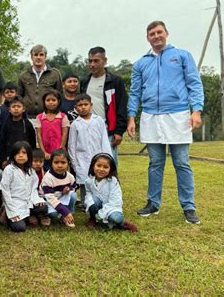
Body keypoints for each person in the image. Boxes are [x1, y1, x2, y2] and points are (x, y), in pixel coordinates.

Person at [127, 21, 204, 224]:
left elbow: (194, 83)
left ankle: (188, 206)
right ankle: (153, 203)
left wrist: (196, 110)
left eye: (159, 32)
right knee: (155, 163)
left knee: (181, 162)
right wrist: (131, 117)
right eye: (152, 33)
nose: (156, 36)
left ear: (166, 33)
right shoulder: (141, 63)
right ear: (148, 38)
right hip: (150, 116)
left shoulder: (182, 56)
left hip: (178, 115)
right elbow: (135, 92)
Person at [80, 47, 128, 165]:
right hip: (88, 128)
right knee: (89, 163)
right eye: (90, 61)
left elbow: (122, 105)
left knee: (109, 163)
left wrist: (119, 131)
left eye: (96, 61)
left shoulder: (115, 81)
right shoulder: (85, 81)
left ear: (105, 61)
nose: (92, 64)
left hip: (108, 129)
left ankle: (113, 184)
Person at [68, 94, 112, 209]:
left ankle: (101, 202)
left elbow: (104, 140)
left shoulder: (99, 121)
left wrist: (107, 157)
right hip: (81, 159)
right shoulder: (75, 124)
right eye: (80, 105)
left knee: (99, 179)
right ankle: (85, 204)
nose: (83, 107)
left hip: (98, 156)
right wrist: (74, 162)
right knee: (84, 181)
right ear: (75, 108)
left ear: (91, 105)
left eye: (85, 104)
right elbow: (71, 145)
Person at [1, 141, 48, 232]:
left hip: (28, 201)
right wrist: (12, 211)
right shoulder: (9, 169)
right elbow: (5, 191)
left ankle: (28, 216)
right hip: (14, 203)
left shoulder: (31, 171)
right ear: (13, 155)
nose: (21, 155)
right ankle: (5, 214)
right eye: (18, 153)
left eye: (24, 153)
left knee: (43, 207)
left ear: (29, 155)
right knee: (20, 228)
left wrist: (37, 200)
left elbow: (33, 189)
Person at [84, 153, 138, 232]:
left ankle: (123, 223)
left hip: (111, 207)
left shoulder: (113, 181)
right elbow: (88, 193)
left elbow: (115, 202)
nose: (101, 169)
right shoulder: (88, 181)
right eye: (98, 166)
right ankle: (93, 218)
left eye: (105, 167)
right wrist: (90, 203)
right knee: (92, 200)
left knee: (116, 218)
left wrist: (101, 214)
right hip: (97, 205)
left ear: (110, 169)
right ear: (93, 166)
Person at [19, 44, 62, 117]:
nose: (38, 57)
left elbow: (60, 95)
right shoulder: (24, 75)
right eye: (35, 55)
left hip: (47, 117)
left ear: (45, 57)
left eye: (41, 55)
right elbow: (19, 96)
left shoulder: (55, 74)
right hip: (27, 116)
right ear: (31, 57)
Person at [40, 149, 77, 227]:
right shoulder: (48, 178)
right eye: (56, 162)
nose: (60, 165)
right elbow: (50, 198)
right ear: (51, 163)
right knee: (53, 214)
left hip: (61, 197)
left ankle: (66, 217)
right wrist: (64, 211)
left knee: (73, 195)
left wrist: (67, 190)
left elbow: (73, 187)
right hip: (49, 200)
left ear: (68, 164)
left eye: (63, 162)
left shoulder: (70, 176)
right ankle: (63, 214)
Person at [0, 96, 36, 167]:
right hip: (10, 156)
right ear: (9, 109)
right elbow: (2, 142)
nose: (16, 109)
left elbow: (32, 142)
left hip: (25, 155)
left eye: (19, 106)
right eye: (13, 106)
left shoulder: (27, 124)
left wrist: (32, 156)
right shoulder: (6, 124)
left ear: (23, 109)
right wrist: (3, 159)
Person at [35, 90, 69, 161]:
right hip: (45, 152)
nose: (50, 102)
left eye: (53, 100)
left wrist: (61, 149)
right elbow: (39, 135)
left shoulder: (63, 116)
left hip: (59, 152)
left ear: (58, 101)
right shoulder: (40, 117)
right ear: (44, 102)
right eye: (48, 100)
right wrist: (43, 151)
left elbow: (64, 134)